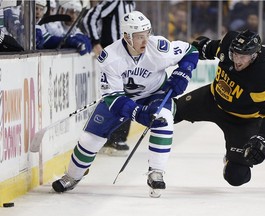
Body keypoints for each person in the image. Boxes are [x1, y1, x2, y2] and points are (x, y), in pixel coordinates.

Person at [52, 11, 199, 197]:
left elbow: (191, 51)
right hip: (122, 99)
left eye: (147, 34)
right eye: (139, 37)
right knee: (89, 140)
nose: (145, 41)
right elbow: (113, 98)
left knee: (164, 119)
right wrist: (137, 113)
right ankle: (72, 176)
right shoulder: (110, 57)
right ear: (126, 37)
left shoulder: (160, 48)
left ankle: (156, 172)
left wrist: (184, 72)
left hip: (155, 93)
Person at [174, 29, 265, 186]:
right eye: (235, 54)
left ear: (254, 55)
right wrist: (200, 47)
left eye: (243, 57)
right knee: (170, 113)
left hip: (242, 121)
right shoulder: (230, 43)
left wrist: (262, 138)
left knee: (237, 176)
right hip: (211, 99)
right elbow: (212, 48)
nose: (237, 61)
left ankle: (231, 159)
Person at [82, 0, 136, 156]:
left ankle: (115, 138)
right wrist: (96, 42)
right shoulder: (116, 2)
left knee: (127, 94)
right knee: (118, 96)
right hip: (113, 57)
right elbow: (91, 16)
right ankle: (113, 138)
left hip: (126, 58)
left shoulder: (130, 4)